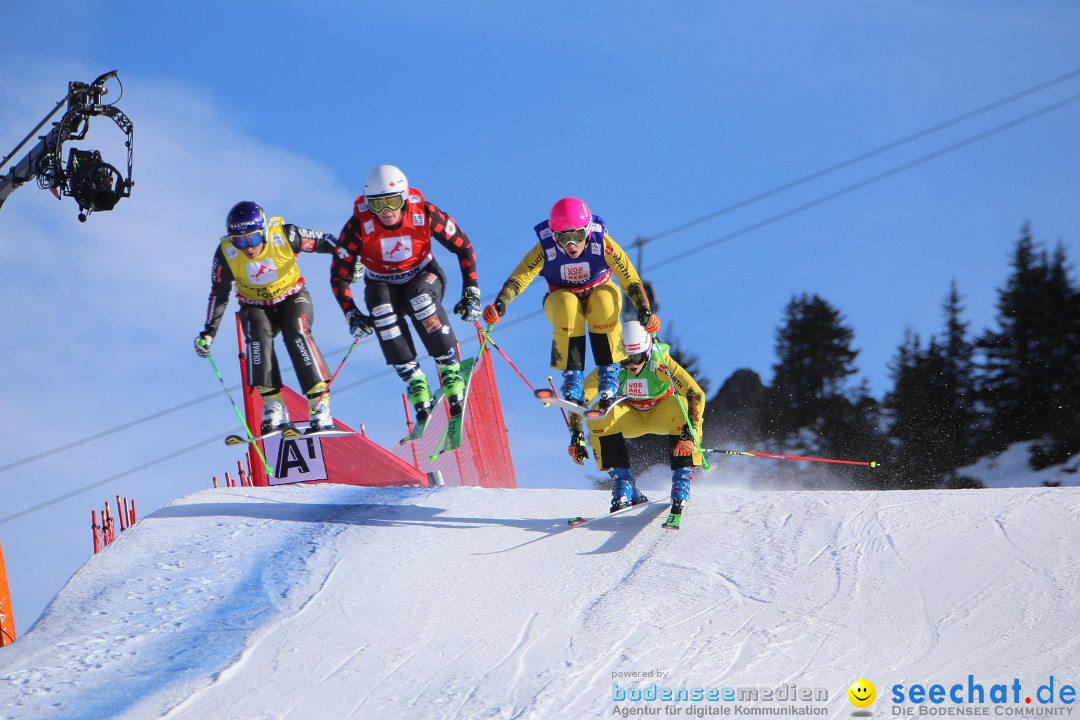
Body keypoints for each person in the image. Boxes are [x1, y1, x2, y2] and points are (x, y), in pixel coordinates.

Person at [330, 164, 480, 420]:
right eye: (378, 205)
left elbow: (463, 247)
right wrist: (351, 313)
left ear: (404, 197)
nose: (386, 211)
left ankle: (448, 365)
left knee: (420, 298)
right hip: (381, 282)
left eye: (392, 202)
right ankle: (413, 378)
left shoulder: (424, 212)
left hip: (423, 274)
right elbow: (339, 276)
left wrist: (471, 291)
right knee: (382, 312)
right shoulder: (358, 226)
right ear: (368, 204)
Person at [482, 197, 660, 408]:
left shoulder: (601, 243)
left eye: (577, 235)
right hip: (562, 300)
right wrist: (500, 304)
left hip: (600, 295)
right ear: (554, 236)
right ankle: (572, 375)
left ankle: (608, 370)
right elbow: (520, 278)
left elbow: (629, 278)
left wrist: (644, 311)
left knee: (604, 299)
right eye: (562, 238)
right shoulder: (545, 249)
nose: (571, 244)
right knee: (567, 304)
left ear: (587, 230)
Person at [195, 201, 340, 434]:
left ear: (262, 231)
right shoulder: (226, 253)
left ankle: (319, 403)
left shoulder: (284, 235)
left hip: (292, 297)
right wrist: (209, 332)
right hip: (255, 305)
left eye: (252, 239)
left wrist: (352, 260)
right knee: (256, 336)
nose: (248, 247)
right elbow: (219, 294)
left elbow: (328, 241)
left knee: (297, 332)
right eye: (239, 241)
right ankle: (274, 405)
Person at [568, 321, 705, 514]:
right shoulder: (613, 366)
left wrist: (691, 433)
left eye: (638, 357)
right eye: (626, 358)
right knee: (600, 413)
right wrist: (576, 434)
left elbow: (695, 394)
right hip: (630, 416)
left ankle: (681, 479)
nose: (632, 364)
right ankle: (624, 484)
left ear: (648, 352)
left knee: (681, 405)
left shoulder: (660, 363)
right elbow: (583, 398)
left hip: (661, 414)